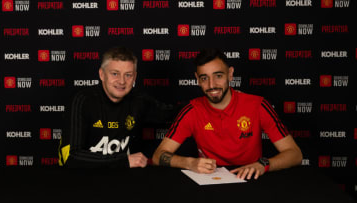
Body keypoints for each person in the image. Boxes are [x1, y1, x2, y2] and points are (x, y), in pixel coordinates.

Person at [152, 48, 303, 180]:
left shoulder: (258, 105)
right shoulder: (191, 110)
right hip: (210, 183)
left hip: (250, 180)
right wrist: (189, 163)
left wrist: (263, 165)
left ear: (230, 74)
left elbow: (295, 154)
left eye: (218, 76)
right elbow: (158, 156)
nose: (212, 85)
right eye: (204, 78)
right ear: (197, 80)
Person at [59, 46, 174, 168]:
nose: (122, 81)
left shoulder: (139, 100)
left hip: (119, 178)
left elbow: (171, 113)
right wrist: (124, 161)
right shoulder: (83, 100)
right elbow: (70, 158)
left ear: (134, 77)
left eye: (128, 75)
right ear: (102, 74)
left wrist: (196, 101)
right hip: (81, 179)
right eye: (115, 74)